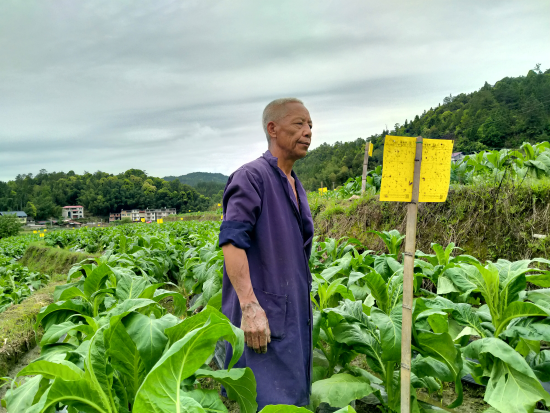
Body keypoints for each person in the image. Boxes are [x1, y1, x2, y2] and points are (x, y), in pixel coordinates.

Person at [219, 98, 315, 408]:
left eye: (311, 125)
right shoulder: (252, 177)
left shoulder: (293, 183)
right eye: (299, 124)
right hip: (262, 318)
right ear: (272, 129)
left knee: (290, 397)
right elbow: (232, 242)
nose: (308, 131)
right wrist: (249, 307)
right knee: (263, 399)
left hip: (289, 314)